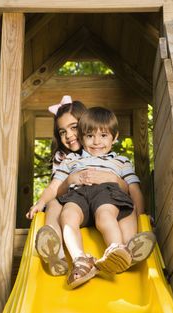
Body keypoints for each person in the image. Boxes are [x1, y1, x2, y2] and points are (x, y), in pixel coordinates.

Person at [26, 96, 133, 276]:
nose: (68, 135)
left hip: (103, 202)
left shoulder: (112, 159)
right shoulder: (65, 158)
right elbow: (56, 189)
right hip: (74, 201)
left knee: (127, 204)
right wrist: (69, 181)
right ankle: (56, 251)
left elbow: (128, 187)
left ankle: (128, 246)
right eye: (62, 132)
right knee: (53, 204)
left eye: (74, 128)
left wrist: (111, 179)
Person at [53, 107, 156, 288]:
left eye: (103, 135)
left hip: (106, 192)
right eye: (90, 136)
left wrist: (142, 216)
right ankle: (80, 260)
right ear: (82, 138)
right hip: (79, 194)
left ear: (114, 137)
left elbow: (134, 189)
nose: (96, 142)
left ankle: (117, 251)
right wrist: (70, 180)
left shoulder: (120, 161)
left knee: (105, 216)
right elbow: (58, 190)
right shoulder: (70, 160)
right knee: (67, 217)